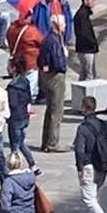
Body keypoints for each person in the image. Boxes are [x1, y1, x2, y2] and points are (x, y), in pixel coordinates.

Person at [72, 96, 107, 213]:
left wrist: (79, 168)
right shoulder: (102, 124)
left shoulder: (83, 128)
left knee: (89, 199)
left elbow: (79, 150)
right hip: (103, 165)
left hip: (89, 166)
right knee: (95, 195)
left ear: (84, 108)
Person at [37, 13, 68, 152]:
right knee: (56, 111)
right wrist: (63, 64)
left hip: (47, 76)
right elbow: (58, 62)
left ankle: (46, 141)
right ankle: (53, 142)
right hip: (56, 77)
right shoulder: (54, 40)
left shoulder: (48, 39)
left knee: (50, 110)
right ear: (57, 25)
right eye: (63, 23)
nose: (65, 26)